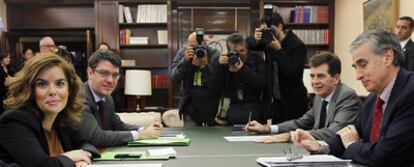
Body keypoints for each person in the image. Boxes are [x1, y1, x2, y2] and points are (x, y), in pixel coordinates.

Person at [293, 30, 414, 166]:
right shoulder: (373, 99)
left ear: (387, 57)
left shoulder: (410, 92)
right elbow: (351, 132)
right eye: (355, 67)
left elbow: (385, 154)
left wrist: (351, 145)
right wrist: (319, 145)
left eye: (362, 65)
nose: (358, 76)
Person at [0, 53, 99, 167]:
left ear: (69, 89)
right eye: (42, 84)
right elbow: (40, 166)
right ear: (30, 90)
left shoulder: (61, 119)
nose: (52, 91)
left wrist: (83, 154)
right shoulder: (15, 121)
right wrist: (69, 159)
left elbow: (86, 144)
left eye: (60, 84)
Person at [246, 52, 361, 143]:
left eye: (320, 76)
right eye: (312, 76)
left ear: (336, 79)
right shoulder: (319, 97)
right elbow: (301, 123)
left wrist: (290, 136)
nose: (315, 82)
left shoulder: (346, 96)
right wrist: (268, 128)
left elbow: (334, 132)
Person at [80, 50, 162, 144]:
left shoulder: (108, 99)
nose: (110, 80)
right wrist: (140, 135)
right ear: (90, 73)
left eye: (115, 75)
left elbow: (118, 126)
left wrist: (143, 129)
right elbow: (96, 137)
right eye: (104, 73)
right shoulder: (80, 98)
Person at [246, 10, 308, 124]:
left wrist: (279, 50)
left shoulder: (297, 46)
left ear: (280, 26)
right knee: (276, 137)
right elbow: (248, 44)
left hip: (295, 102)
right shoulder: (268, 41)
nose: (267, 33)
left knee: (295, 137)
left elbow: (292, 72)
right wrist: (256, 39)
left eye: (270, 30)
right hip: (277, 103)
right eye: (264, 31)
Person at [210, 33, 267, 124]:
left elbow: (262, 84)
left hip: (253, 113)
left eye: (242, 51)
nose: (239, 55)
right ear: (228, 52)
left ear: (247, 49)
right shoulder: (223, 62)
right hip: (230, 113)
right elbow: (214, 88)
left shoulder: (257, 60)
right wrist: (219, 67)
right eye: (235, 52)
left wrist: (243, 69)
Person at [170, 30, 221, 126]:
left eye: (199, 46)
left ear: (205, 43)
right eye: (192, 47)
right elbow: (173, 78)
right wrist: (185, 61)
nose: (196, 49)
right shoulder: (183, 53)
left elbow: (217, 84)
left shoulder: (215, 55)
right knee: (192, 138)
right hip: (190, 107)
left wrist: (206, 66)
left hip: (211, 107)